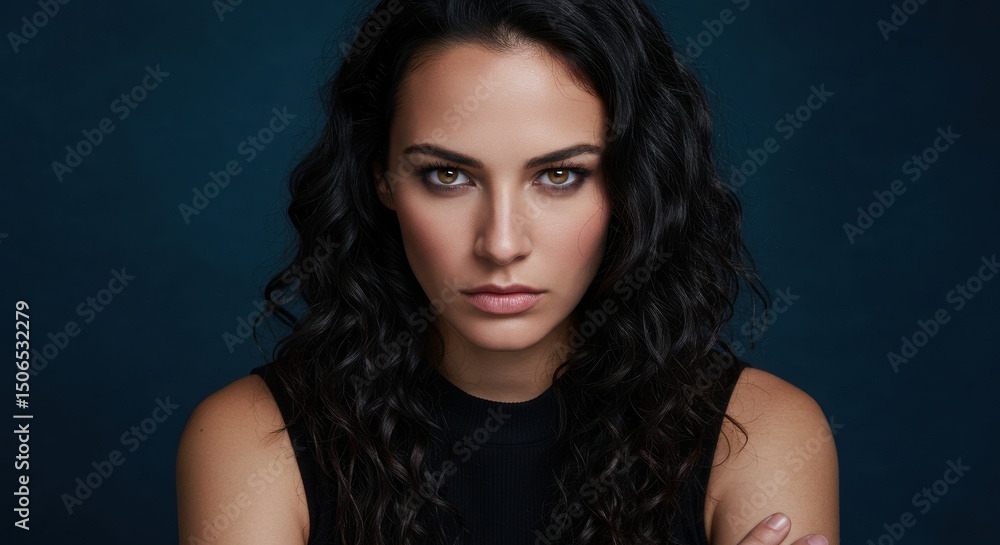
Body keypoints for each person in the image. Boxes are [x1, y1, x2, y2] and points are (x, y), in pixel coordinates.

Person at [176, 0, 839, 544]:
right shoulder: (252, 441)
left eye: (559, 175)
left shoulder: (758, 433)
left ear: (629, 184)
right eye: (447, 174)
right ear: (381, 178)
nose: (500, 242)